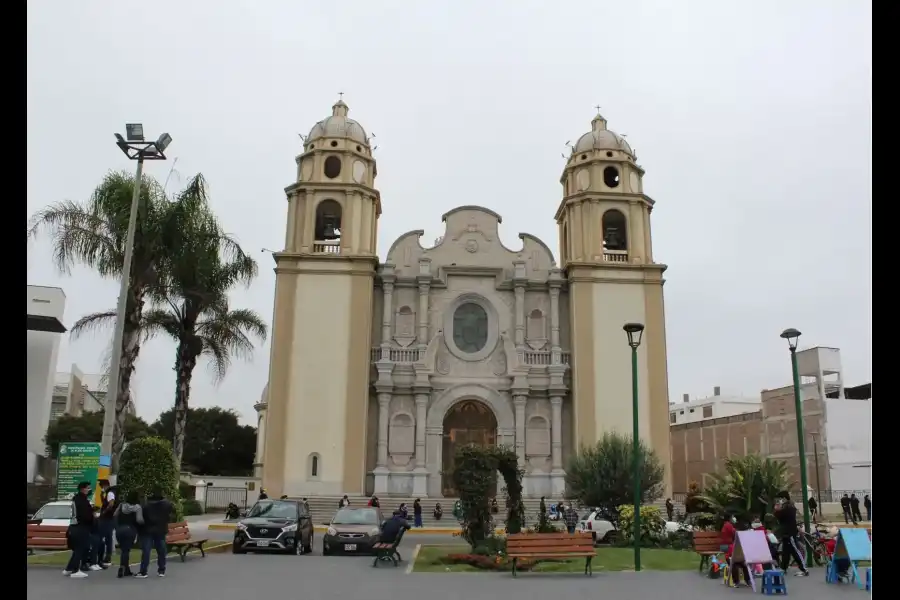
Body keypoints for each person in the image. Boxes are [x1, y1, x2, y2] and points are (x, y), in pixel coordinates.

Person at [137, 487, 174, 578]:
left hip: (148, 530)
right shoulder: (167, 505)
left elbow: (142, 518)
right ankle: (161, 570)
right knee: (161, 550)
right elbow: (170, 516)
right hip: (161, 530)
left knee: (146, 551)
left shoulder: (146, 506)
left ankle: (143, 571)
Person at [64, 481, 96, 578]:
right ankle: (75, 570)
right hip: (80, 527)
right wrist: (93, 516)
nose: (89, 490)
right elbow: (85, 515)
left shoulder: (76, 499)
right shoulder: (82, 501)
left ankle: (68, 568)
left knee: (78, 549)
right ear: (83, 489)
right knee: (80, 549)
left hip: (73, 527)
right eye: (88, 488)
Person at [774, 495, 809, 576]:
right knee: (785, 553)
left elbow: (778, 515)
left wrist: (776, 509)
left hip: (789, 534)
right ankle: (784, 568)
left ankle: (804, 569)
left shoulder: (788, 510)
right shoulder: (789, 510)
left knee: (795, 551)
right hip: (787, 534)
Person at [113, 490, 143, 578]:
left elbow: (115, 514)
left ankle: (127, 569)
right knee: (126, 550)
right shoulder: (137, 507)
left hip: (120, 529)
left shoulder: (121, 505)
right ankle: (122, 567)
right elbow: (139, 520)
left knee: (123, 550)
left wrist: (117, 525)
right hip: (130, 530)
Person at [94, 479, 116, 568]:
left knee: (107, 537)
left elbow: (111, 504)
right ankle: (104, 556)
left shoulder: (110, 493)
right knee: (106, 537)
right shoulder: (104, 493)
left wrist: (104, 512)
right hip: (106, 518)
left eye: (101, 486)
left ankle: (107, 557)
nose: (101, 487)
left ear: (105, 485)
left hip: (107, 518)